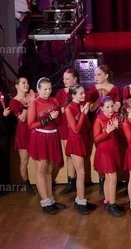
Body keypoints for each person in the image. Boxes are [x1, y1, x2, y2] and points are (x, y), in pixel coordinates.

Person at [27, 78, 65, 214]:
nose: (48, 91)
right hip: (40, 137)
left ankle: (51, 200)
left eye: (49, 89)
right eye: (45, 89)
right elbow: (30, 124)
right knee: (41, 170)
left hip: (52, 136)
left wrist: (56, 116)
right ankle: (45, 202)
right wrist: (48, 119)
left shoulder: (54, 101)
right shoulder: (34, 103)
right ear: (38, 89)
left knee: (49, 169)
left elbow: (59, 122)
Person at [64, 84, 96, 215]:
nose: (84, 95)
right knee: (81, 173)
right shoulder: (69, 108)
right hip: (75, 141)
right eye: (81, 93)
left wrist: (86, 114)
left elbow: (86, 126)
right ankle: (80, 201)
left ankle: (81, 200)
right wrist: (83, 114)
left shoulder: (81, 105)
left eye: (84, 93)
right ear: (73, 95)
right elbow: (75, 129)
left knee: (83, 172)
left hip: (82, 140)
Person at [93, 97, 123, 217]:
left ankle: (107, 201)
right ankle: (112, 204)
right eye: (107, 107)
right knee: (112, 178)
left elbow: (120, 134)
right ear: (102, 108)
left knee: (109, 179)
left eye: (112, 106)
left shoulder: (115, 117)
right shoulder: (99, 120)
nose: (111, 109)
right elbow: (96, 139)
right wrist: (107, 131)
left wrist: (118, 127)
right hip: (105, 153)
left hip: (113, 150)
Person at [9, 77, 36, 195]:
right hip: (23, 132)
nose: (26, 85)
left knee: (38, 159)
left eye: (27, 82)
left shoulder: (31, 96)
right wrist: (27, 105)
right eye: (23, 83)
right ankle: (27, 184)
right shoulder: (14, 102)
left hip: (34, 130)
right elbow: (22, 118)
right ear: (17, 86)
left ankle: (42, 182)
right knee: (24, 161)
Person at [55, 68, 80, 196]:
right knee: (69, 154)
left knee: (77, 155)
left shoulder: (80, 91)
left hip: (76, 127)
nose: (64, 81)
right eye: (64, 78)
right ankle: (71, 181)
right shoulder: (60, 93)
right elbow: (55, 109)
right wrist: (61, 110)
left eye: (67, 78)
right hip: (64, 126)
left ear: (75, 79)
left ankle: (78, 180)